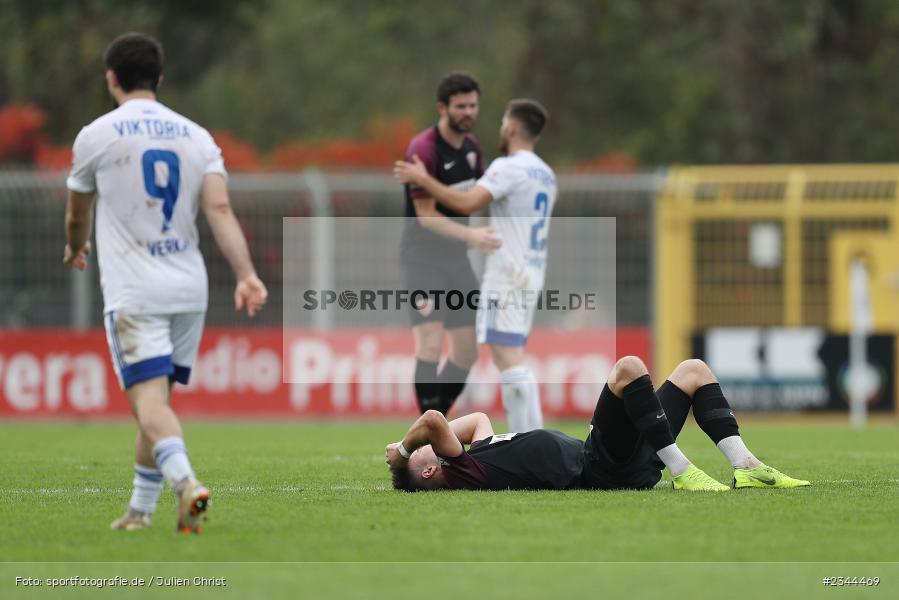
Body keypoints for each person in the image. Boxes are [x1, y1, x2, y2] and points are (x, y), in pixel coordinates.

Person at [63, 32, 268, 533]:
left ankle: (187, 485)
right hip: (187, 288)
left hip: (136, 291)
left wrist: (75, 245)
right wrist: (245, 273)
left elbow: (77, 214)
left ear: (111, 78)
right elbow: (218, 209)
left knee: (149, 404)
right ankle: (139, 512)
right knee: (157, 404)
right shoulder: (197, 136)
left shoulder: (98, 135)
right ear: (160, 78)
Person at [386, 355, 810, 492]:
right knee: (628, 368)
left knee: (694, 371)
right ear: (429, 468)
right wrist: (401, 452)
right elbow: (432, 420)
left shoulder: (477, 455)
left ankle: (747, 467)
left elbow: (477, 418)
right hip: (599, 465)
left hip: (623, 459)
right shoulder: (464, 472)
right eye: (425, 452)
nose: (428, 445)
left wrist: (414, 452)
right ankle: (683, 472)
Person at [394, 99, 556, 432]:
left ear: (511, 128)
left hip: (507, 274)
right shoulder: (547, 174)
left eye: (501, 123)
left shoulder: (508, 167)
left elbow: (467, 201)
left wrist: (425, 180)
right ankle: (532, 439)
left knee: (508, 360)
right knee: (508, 357)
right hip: (532, 271)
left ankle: (530, 442)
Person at [399, 72, 502, 417]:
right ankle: (428, 430)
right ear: (443, 107)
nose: (468, 112)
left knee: (466, 354)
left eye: (473, 105)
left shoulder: (472, 149)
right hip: (422, 261)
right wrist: (473, 236)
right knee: (429, 343)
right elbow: (426, 215)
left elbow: (479, 195)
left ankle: (432, 426)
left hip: (457, 262)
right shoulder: (423, 148)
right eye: (461, 106)